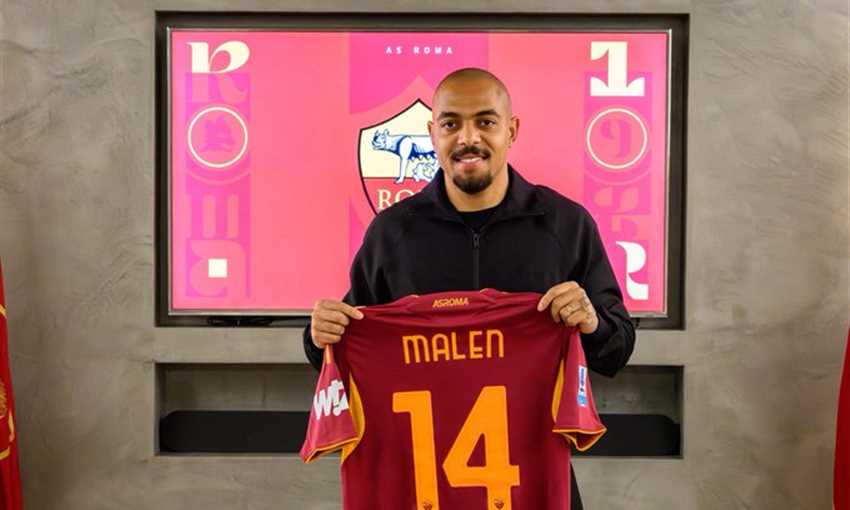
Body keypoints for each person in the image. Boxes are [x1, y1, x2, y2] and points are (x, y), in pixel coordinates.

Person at [302, 67, 636, 509]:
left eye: (485, 121)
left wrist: (591, 322)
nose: (468, 138)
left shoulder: (565, 224)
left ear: (511, 130)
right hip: (420, 489)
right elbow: (347, 345)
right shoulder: (392, 233)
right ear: (432, 133)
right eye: (451, 124)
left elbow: (617, 348)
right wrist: (318, 335)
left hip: (533, 485)